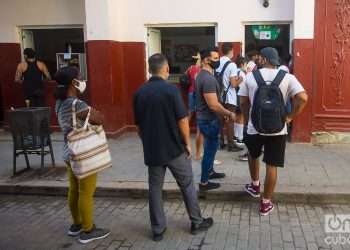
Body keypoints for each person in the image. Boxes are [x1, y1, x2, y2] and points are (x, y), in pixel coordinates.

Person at [133, 53, 214, 241]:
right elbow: (183, 120)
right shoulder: (171, 91)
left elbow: (138, 126)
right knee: (186, 184)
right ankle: (196, 222)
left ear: (149, 69)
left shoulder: (139, 93)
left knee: (154, 188)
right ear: (167, 68)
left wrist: (147, 141)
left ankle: (158, 230)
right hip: (174, 149)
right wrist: (187, 143)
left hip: (152, 150)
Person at [239, 47, 308, 216]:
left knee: (253, 154)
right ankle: (265, 203)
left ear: (263, 59)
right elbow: (303, 98)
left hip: (255, 127)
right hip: (278, 128)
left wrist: (249, 120)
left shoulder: (250, 77)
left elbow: (243, 102)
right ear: (275, 60)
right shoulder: (288, 78)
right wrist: (290, 117)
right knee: (272, 165)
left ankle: (255, 185)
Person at [54, 66, 110, 244]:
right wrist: (95, 111)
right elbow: (99, 118)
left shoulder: (59, 103)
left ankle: (76, 224)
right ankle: (88, 230)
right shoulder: (77, 104)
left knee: (74, 189)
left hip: (68, 151)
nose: (83, 80)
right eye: (80, 77)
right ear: (73, 82)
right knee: (86, 191)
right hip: (82, 153)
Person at [196, 48, 236, 191]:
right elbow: (213, 104)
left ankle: (210, 172)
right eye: (215, 58)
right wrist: (229, 113)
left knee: (210, 149)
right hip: (208, 120)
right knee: (209, 151)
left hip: (208, 119)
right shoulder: (207, 79)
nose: (218, 61)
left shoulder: (203, 75)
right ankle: (204, 183)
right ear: (206, 60)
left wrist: (222, 113)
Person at [216, 43, 243, 152]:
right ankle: (231, 145)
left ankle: (221, 142)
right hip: (229, 97)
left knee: (220, 121)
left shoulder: (217, 62)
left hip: (218, 96)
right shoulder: (231, 65)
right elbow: (233, 84)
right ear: (231, 50)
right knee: (230, 120)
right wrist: (240, 78)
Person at [185, 52, 204, 161]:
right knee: (199, 113)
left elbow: (185, 75)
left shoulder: (190, 68)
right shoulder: (200, 69)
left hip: (190, 92)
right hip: (197, 93)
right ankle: (199, 133)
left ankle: (184, 131)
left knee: (190, 112)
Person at [235, 56, 249, 161]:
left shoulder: (236, 71)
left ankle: (237, 136)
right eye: (246, 64)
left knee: (237, 116)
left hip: (235, 96)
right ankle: (239, 138)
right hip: (240, 96)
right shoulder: (242, 73)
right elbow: (241, 85)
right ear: (242, 64)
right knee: (241, 117)